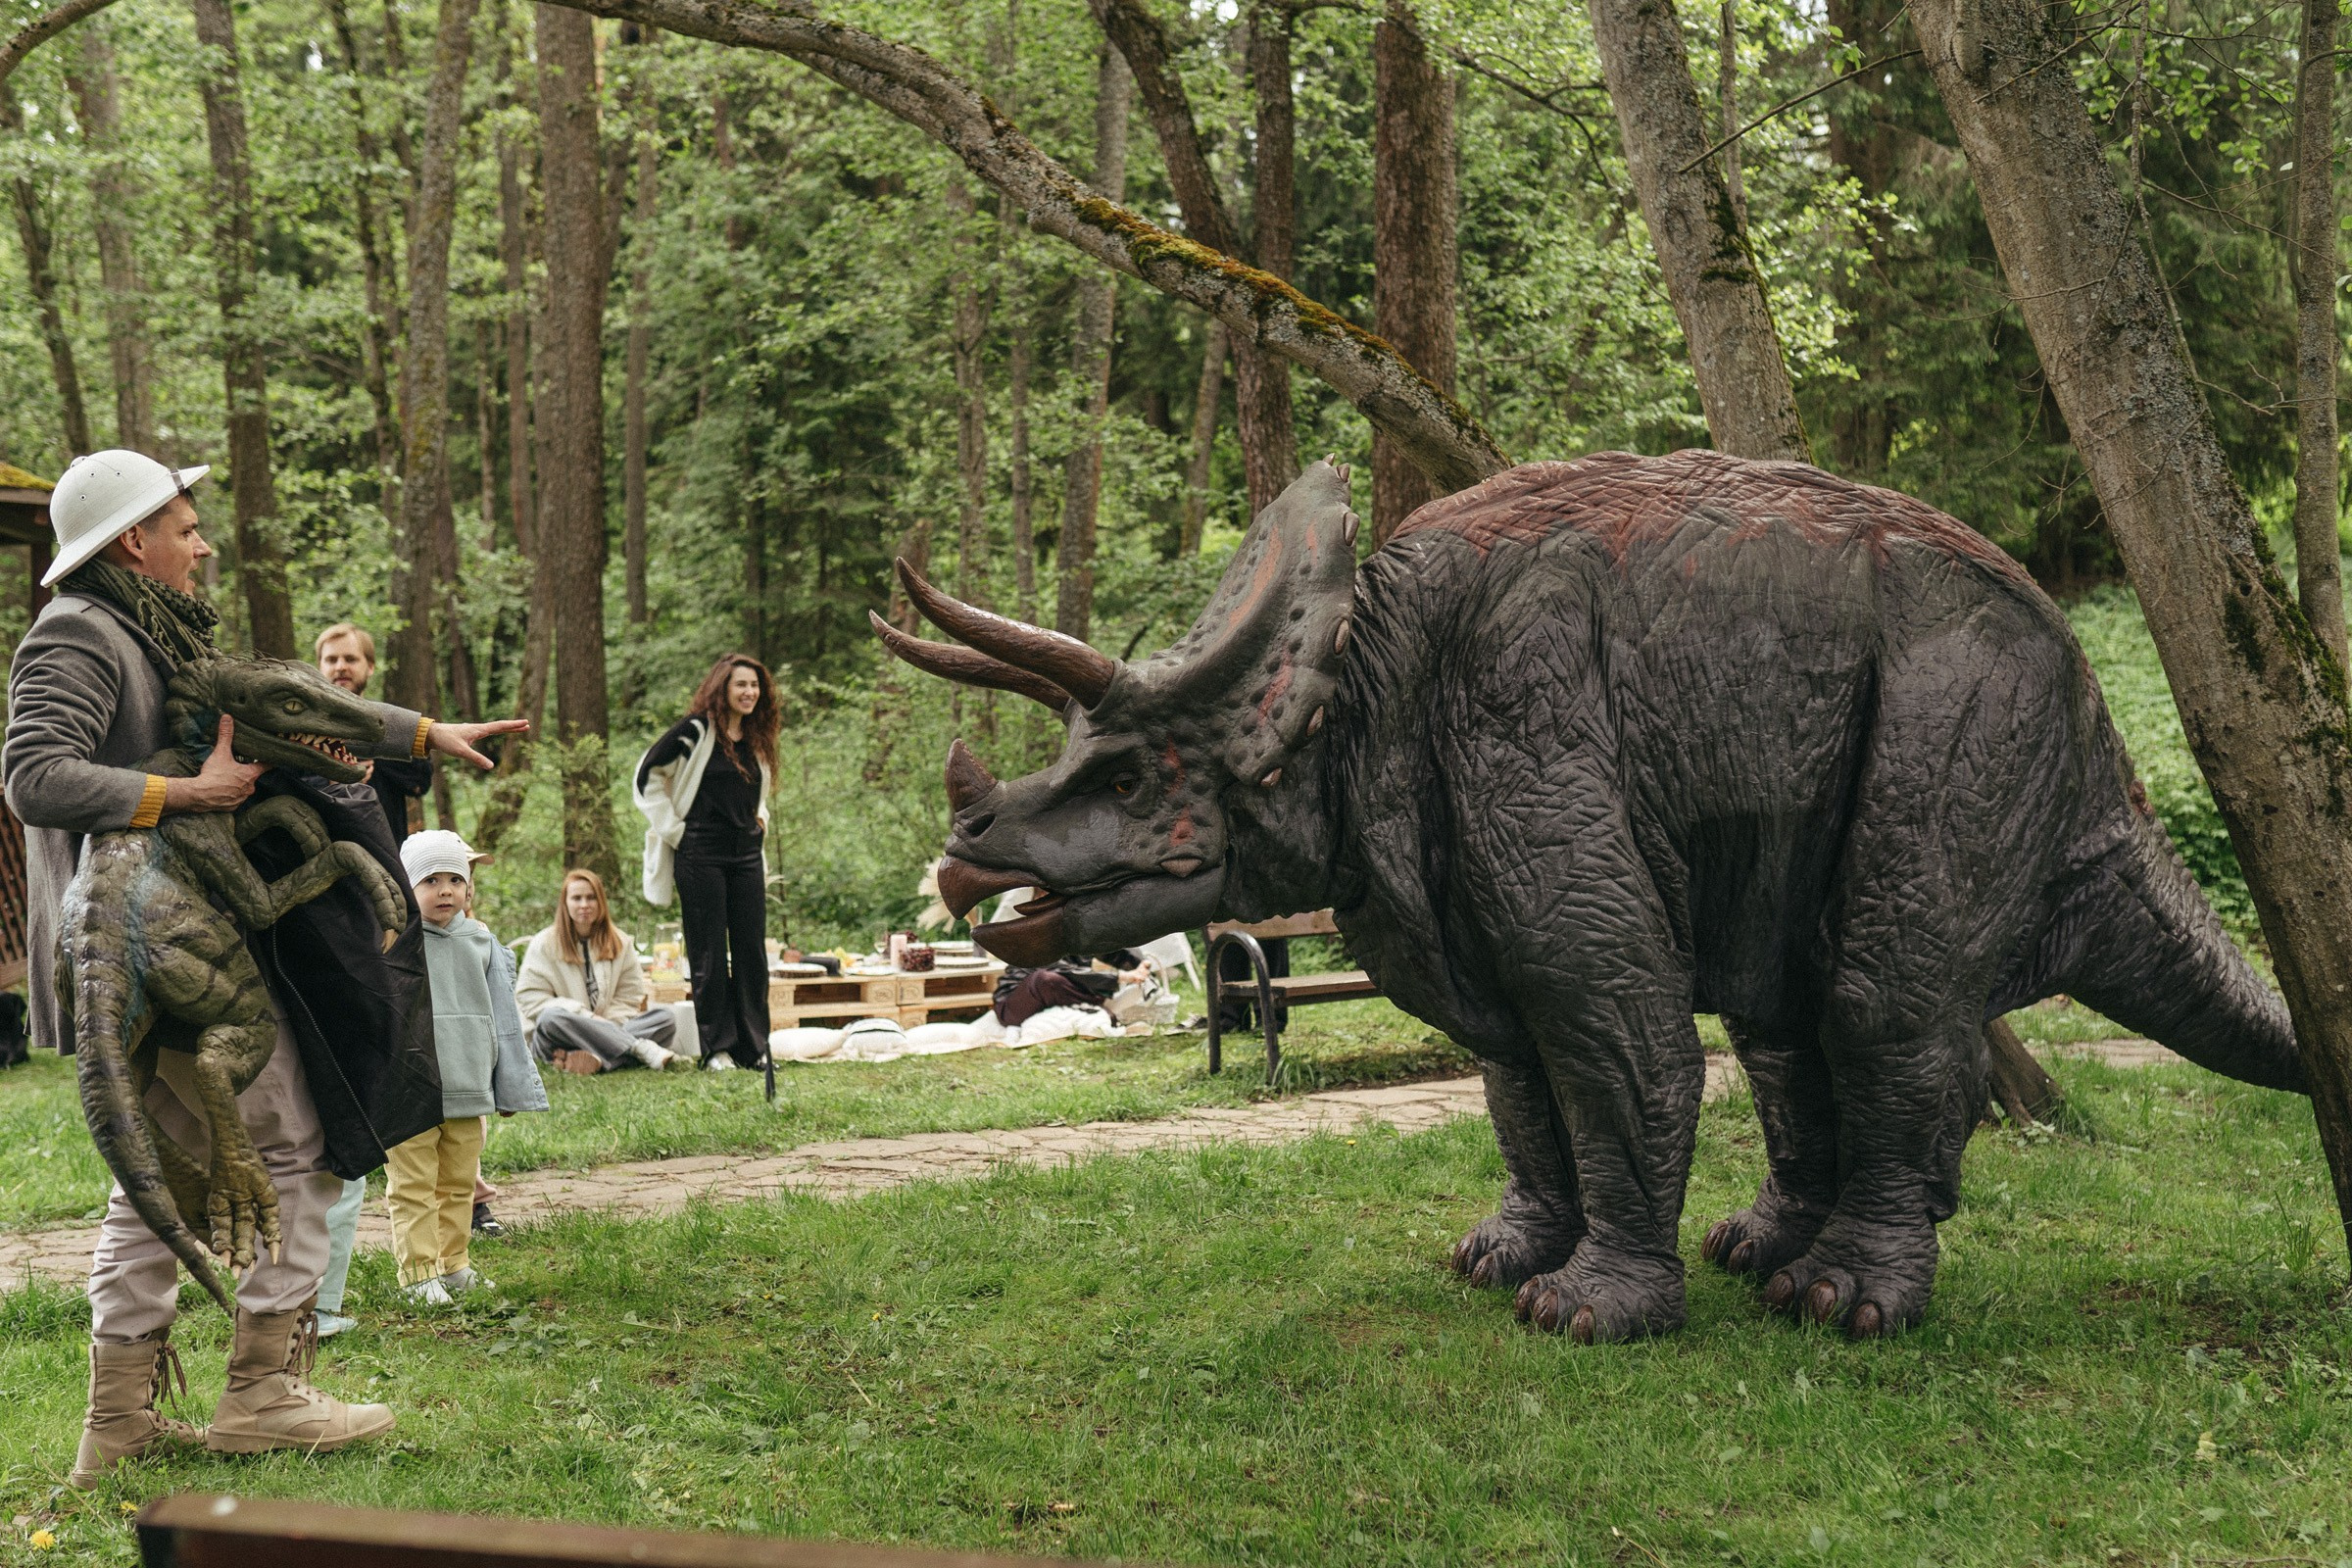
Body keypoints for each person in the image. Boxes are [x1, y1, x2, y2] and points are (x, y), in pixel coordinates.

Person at [2, 451, 524, 1484]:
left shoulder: (148, 626)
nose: (202, 546)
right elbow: (34, 777)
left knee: (175, 1172)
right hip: (142, 956)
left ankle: (129, 1425)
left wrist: (422, 731)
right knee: (288, 1139)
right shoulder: (78, 630)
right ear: (130, 542)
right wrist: (187, 795)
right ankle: (257, 1392)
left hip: (184, 941)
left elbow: (276, 702)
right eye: (185, 528)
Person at [385, 831, 545, 1306]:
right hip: (410, 1090)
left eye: (456, 879)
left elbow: (504, 1019)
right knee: (413, 1186)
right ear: (407, 887)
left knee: (457, 1184)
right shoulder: (394, 942)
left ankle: (453, 1265)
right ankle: (417, 1275)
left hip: (467, 1086)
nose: (446, 890)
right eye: (430, 880)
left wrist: (508, 1085)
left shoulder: (481, 941)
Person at [634, 654, 778, 1074]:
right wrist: (675, 831)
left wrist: (761, 820)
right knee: (709, 951)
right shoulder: (696, 731)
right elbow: (647, 777)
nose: (749, 692)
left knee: (752, 951)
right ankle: (717, 1048)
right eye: (741, 685)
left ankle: (755, 1047)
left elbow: (757, 794)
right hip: (699, 853)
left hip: (746, 853)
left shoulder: (756, 737)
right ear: (723, 689)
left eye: (755, 685)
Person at [516, 868, 684, 1072]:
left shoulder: (620, 942)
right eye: (577, 898)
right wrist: (586, 1018)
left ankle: (593, 1061)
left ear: (601, 902)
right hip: (563, 1033)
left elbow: (630, 996)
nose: (584, 905)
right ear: (565, 903)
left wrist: (604, 1028)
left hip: (611, 1026)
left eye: (591, 898)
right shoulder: (543, 944)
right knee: (549, 1018)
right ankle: (635, 1048)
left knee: (665, 1019)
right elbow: (530, 998)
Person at [317, 621, 435, 845]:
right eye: (331, 660)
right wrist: (328, 778)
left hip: (386, 857)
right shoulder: (299, 728)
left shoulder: (390, 723)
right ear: (319, 666)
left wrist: (375, 750)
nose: (341, 667)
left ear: (370, 666)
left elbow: (421, 780)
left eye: (351, 659)